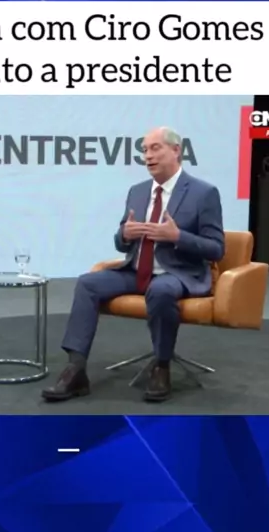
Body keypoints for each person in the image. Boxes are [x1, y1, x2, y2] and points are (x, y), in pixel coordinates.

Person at [42, 126, 225, 404]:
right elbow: (121, 241)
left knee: (161, 291)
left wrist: (177, 236)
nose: (147, 156)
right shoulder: (137, 192)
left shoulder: (204, 193)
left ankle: (161, 366)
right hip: (135, 271)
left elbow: (216, 248)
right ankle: (75, 369)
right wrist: (125, 235)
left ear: (176, 150)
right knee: (88, 283)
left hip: (176, 273)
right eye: (144, 150)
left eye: (155, 148)